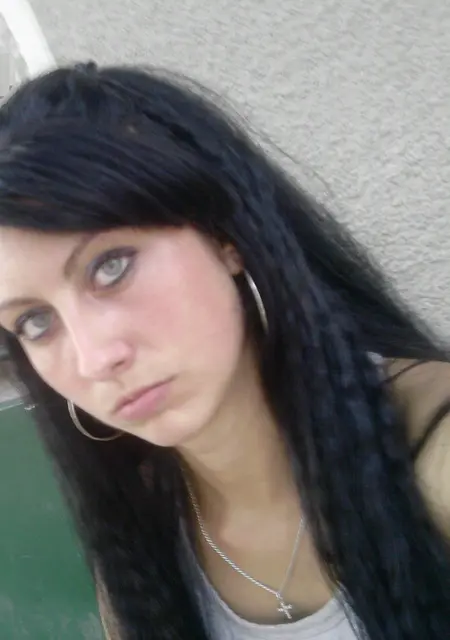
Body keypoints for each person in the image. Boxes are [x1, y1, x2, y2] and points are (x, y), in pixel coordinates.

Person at [0, 62, 449, 640]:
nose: (95, 359)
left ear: (225, 238)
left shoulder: (431, 454)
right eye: (35, 322)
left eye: (110, 267)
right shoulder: (142, 533)